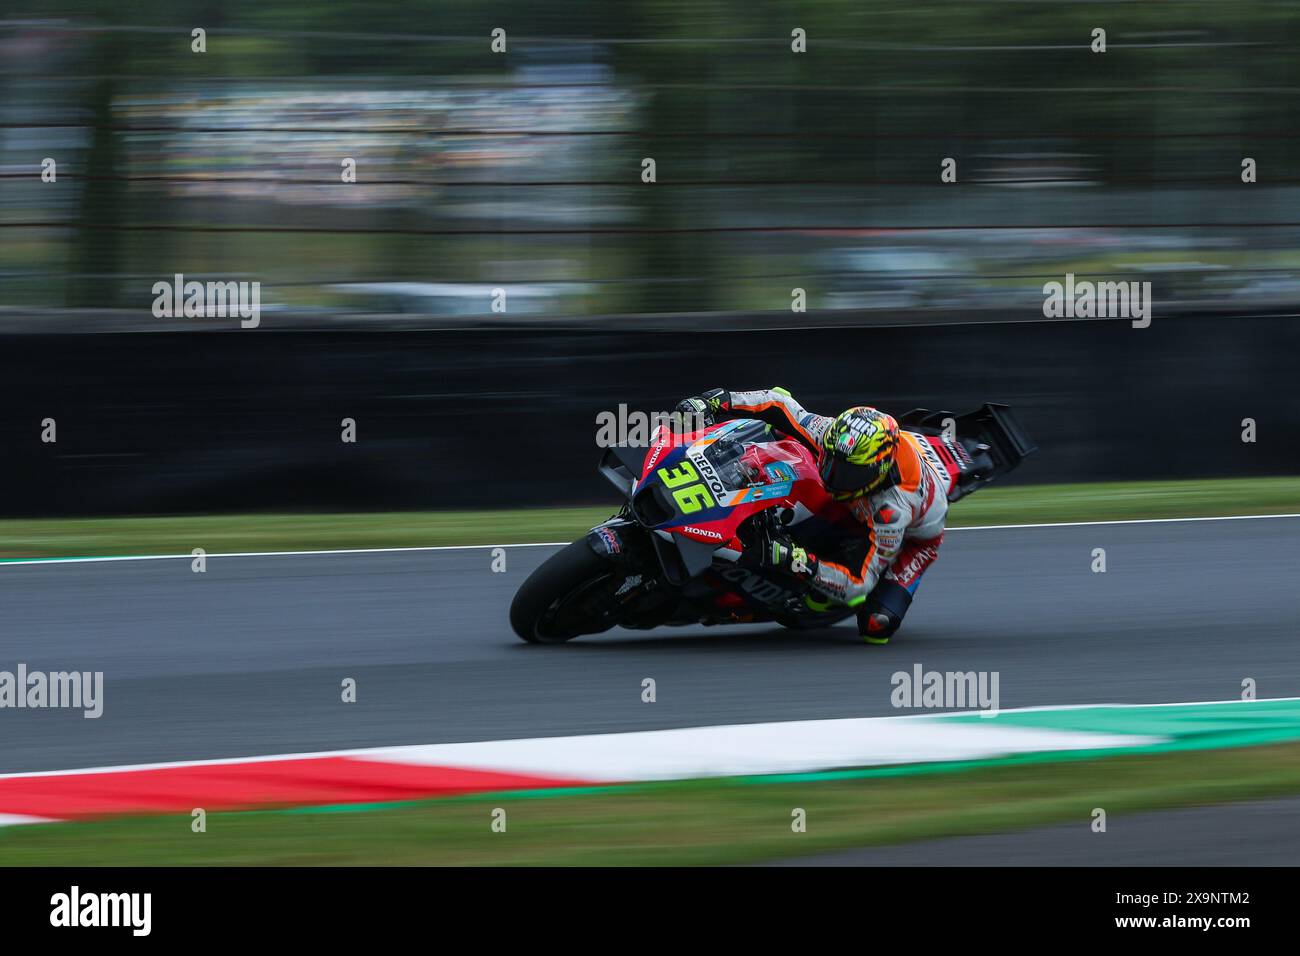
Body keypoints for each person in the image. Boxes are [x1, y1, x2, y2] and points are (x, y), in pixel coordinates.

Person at [676, 386, 947, 643]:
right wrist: (719, 400)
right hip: (855, 501)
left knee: (877, 626)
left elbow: (859, 584)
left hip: (913, 540)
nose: (833, 474)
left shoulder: (893, 510)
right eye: (831, 460)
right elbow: (779, 402)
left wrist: (799, 561)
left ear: (878, 470)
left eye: (847, 472)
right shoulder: (834, 436)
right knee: (782, 434)